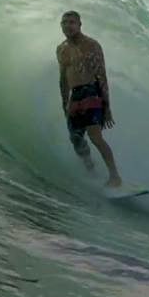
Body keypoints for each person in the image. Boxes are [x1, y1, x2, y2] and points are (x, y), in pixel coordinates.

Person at [56, 10, 122, 187]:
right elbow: (63, 79)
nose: (68, 25)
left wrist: (107, 108)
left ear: (79, 25)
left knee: (95, 136)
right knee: (75, 139)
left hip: (92, 93)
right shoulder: (61, 49)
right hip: (75, 97)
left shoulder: (92, 45)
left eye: (72, 22)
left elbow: (102, 75)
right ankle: (91, 171)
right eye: (64, 22)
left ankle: (115, 176)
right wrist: (64, 103)